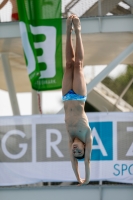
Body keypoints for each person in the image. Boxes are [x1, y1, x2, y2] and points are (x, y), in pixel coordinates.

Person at [62, 14, 92, 186]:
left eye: (74, 152)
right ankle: (78, 32)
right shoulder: (87, 137)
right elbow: (86, 162)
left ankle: (68, 31)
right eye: (79, 151)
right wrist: (84, 179)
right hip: (79, 96)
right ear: (84, 149)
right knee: (78, 64)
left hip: (66, 96)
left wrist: (76, 177)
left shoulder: (70, 137)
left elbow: (73, 162)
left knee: (68, 64)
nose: (75, 150)